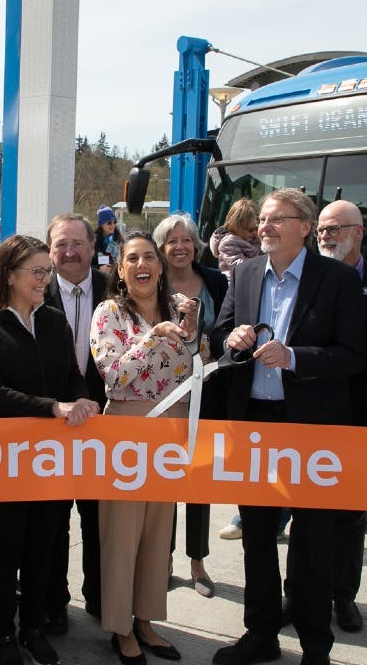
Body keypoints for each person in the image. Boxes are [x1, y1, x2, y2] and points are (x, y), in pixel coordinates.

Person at [211, 188, 366, 665]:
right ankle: (261, 635)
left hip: (311, 428)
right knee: (257, 536)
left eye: (277, 219)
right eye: (263, 219)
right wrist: (233, 339)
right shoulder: (245, 273)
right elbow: (220, 336)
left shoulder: (338, 279)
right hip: (254, 424)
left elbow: (353, 355)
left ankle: (316, 646)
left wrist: (294, 357)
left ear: (304, 226)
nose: (266, 227)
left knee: (314, 540)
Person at [0, 235, 100, 665]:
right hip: (6, 461)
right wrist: (53, 407)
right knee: (6, 551)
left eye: (47, 271)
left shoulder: (54, 321)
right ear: (8, 275)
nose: (46, 279)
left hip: (51, 460)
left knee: (45, 545)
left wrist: (82, 399)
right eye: (37, 272)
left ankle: (33, 628)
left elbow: (73, 375)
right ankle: (2, 634)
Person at [91, 232, 205, 664]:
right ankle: (120, 628)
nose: (142, 265)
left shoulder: (180, 307)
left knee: (159, 533)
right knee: (123, 535)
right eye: (132, 259)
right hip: (126, 427)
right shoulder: (110, 313)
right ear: (120, 270)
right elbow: (113, 375)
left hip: (172, 429)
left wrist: (195, 334)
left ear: (160, 266)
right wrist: (153, 336)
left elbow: (198, 365)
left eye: (149, 257)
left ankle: (146, 620)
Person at [282, 199, 367, 633]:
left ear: (358, 232)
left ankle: (343, 596)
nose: (326, 235)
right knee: (303, 509)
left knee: (349, 513)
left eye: (335, 228)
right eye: (322, 228)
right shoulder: (305, 277)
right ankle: (297, 595)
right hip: (310, 410)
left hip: (359, 412)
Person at [152, 213, 228, 598]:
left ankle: (198, 563)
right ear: (161, 248)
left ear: (196, 245)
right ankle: (162, 561)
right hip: (163, 396)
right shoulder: (152, 281)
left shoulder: (217, 281)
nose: (180, 247)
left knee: (199, 480)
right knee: (164, 479)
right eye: (172, 241)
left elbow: (227, 329)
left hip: (207, 391)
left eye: (186, 240)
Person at [42, 213, 109, 630]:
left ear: (92, 247)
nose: (70, 252)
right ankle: (53, 603)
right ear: (49, 251)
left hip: (105, 424)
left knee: (99, 519)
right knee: (53, 522)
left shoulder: (113, 289)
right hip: (52, 424)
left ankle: (101, 598)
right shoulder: (35, 291)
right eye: (61, 245)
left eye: (78, 244)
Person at [208, 198, 260, 278]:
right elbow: (240, 265)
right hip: (235, 281)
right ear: (237, 227)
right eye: (250, 230)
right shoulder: (228, 243)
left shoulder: (254, 238)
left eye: (256, 229)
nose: (254, 232)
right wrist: (262, 263)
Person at [95, 205, 121, 270]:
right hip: (98, 274)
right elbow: (87, 264)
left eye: (114, 222)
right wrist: (99, 269)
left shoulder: (118, 239)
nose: (113, 225)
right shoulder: (93, 241)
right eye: (109, 223)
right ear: (101, 225)